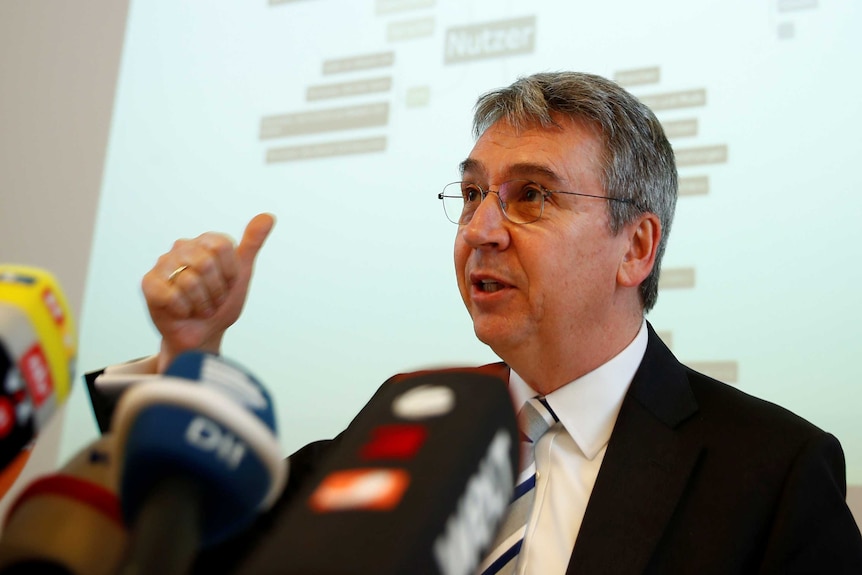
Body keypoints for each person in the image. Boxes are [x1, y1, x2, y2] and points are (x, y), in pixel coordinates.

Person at [88, 71, 862, 573]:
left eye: (531, 196)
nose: (480, 230)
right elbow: (191, 552)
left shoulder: (774, 468)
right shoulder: (403, 428)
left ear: (636, 247)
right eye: (471, 195)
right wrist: (188, 356)